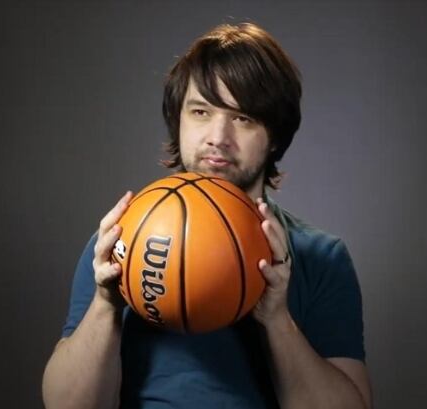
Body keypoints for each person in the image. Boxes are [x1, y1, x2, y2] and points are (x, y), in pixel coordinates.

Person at [42, 22, 372, 409]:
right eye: (201, 111)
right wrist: (105, 303)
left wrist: (277, 319)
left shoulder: (320, 257)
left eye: (243, 118)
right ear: (177, 119)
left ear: (276, 137)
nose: (218, 136)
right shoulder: (120, 240)